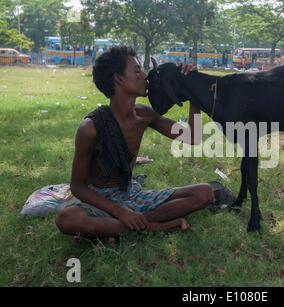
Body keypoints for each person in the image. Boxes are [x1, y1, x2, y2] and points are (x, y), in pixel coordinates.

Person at [55, 46, 214, 238]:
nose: (145, 76)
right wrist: (120, 212)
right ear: (119, 79)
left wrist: (191, 92)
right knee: (67, 218)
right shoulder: (90, 128)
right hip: (100, 200)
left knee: (205, 193)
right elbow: (78, 187)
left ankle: (125, 226)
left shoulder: (145, 115)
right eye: (137, 71)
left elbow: (192, 137)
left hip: (131, 193)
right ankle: (155, 226)